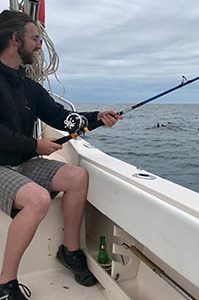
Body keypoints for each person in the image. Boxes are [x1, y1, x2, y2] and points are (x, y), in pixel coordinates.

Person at [0, 10, 122, 299]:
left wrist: (96, 117)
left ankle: (69, 250)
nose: (40, 45)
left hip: (22, 163)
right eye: (35, 38)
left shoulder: (28, 87)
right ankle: (6, 284)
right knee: (38, 199)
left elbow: (60, 116)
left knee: (77, 176)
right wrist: (34, 146)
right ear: (15, 40)